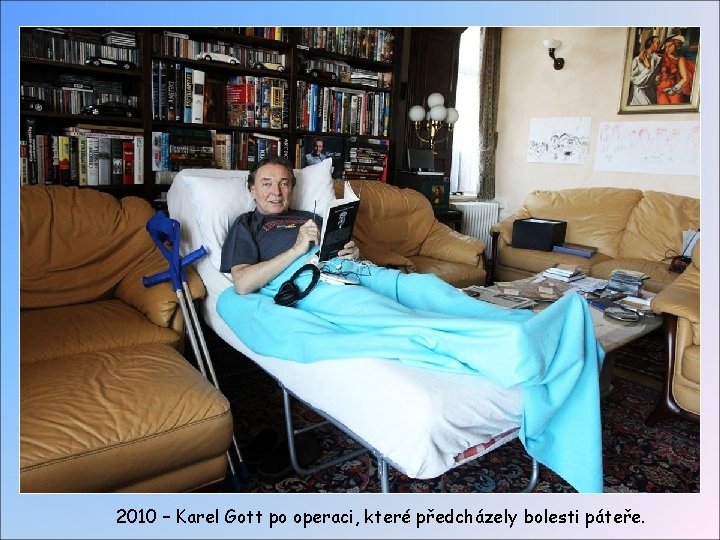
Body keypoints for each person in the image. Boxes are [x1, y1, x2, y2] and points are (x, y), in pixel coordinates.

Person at [220, 155, 359, 294]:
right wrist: (296, 249)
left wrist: (354, 253)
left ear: (292, 188)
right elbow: (242, 284)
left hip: (352, 271)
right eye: (267, 184)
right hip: (312, 278)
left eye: (284, 184)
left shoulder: (313, 217)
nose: (276, 192)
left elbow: (345, 250)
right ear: (253, 190)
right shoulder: (246, 223)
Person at [656, 34, 692, 105]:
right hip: (660, 90)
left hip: (674, 91)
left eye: (670, 46)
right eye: (666, 47)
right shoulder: (660, 58)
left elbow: (685, 78)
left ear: (677, 45)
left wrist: (673, 89)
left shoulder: (680, 59)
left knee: (674, 109)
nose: (667, 49)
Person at [628, 35, 662, 105]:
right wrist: (647, 68)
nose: (660, 45)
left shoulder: (657, 59)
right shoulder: (637, 60)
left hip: (650, 92)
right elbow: (634, 80)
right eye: (658, 43)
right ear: (651, 45)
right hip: (638, 94)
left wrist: (656, 79)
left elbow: (652, 80)